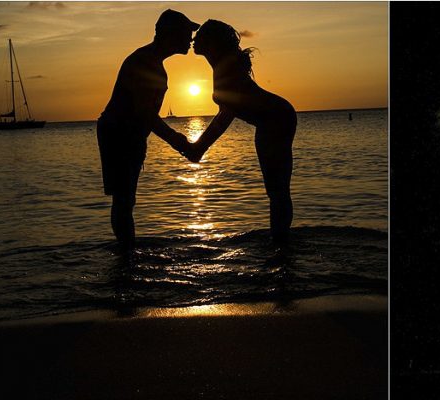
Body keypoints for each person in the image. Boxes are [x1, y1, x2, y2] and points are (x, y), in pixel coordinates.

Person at [186, 20, 297, 242]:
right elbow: (228, 111)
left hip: (276, 119)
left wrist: (200, 147)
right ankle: (281, 241)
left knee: (277, 190)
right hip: (272, 119)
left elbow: (227, 114)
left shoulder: (226, 68)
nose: (193, 39)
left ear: (213, 43)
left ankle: (281, 243)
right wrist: (200, 146)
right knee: (276, 190)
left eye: (200, 36)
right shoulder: (221, 66)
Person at [97, 9, 198, 247]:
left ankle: (126, 254)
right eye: (186, 32)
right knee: (123, 200)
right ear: (170, 34)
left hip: (130, 134)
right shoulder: (144, 62)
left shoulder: (153, 63)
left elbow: (145, 116)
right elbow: (145, 114)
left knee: (126, 200)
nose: (190, 38)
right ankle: (126, 256)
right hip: (117, 133)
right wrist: (176, 140)